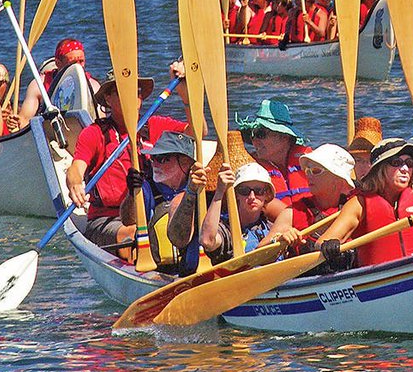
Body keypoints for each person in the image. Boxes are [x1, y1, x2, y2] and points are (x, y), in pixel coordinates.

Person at [316, 138, 413, 268]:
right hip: (378, 280)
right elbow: (322, 241)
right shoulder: (359, 204)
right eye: (397, 162)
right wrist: (328, 246)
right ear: (380, 168)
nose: (405, 169)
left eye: (410, 164)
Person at [65, 70, 157, 254]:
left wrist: (185, 93)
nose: (133, 97)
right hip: (108, 220)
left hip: (149, 215)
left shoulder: (154, 125)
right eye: (124, 91)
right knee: (132, 234)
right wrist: (74, 184)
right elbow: (76, 168)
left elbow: (198, 131)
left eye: (136, 92)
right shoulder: (95, 133)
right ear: (108, 99)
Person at [121, 130, 203, 274]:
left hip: (197, 270)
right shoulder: (145, 187)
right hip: (155, 270)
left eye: (163, 158)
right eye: (153, 158)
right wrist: (132, 194)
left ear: (185, 162)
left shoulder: (201, 189)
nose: (155, 164)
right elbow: (128, 220)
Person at [200, 162, 296, 263]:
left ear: (266, 195)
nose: (252, 197)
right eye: (244, 190)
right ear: (236, 194)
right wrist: (219, 192)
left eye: (258, 190)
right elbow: (207, 241)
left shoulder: (273, 227)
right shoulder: (226, 231)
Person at [239, 99, 312, 207]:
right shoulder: (250, 168)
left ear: (284, 137)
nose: (254, 141)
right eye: (252, 134)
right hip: (278, 223)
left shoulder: (312, 162)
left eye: (260, 134)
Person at [20, 37, 98, 124]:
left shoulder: (94, 86)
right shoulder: (39, 85)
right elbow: (24, 120)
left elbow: (100, 120)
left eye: (81, 61)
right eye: (73, 62)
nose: (78, 67)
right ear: (58, 63)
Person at [289, 144, 356, 230]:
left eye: (316, 171)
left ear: (338, 179)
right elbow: (270, 240)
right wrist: (280, 236)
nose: (309, 175)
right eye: (307, 170)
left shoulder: (355, 209)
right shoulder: (292, 212)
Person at [347, 115, 383, 181]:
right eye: (359, 160)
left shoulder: (392, 189)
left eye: (370, 160)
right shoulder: (345, 189)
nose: (365, 167)